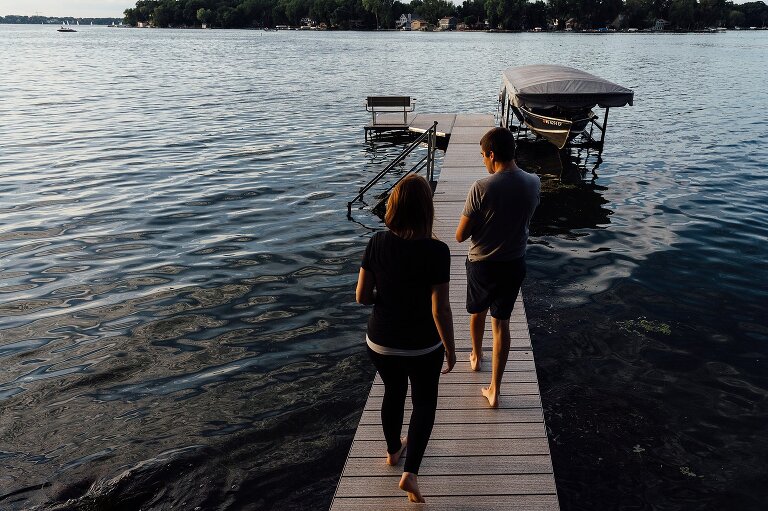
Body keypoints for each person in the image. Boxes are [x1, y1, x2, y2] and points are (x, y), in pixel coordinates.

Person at [356, 174, 456, 503]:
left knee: (393, 392)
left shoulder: (377, 243)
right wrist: (452, 351)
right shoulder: (438, 251)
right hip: (423, 346)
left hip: (381, 343)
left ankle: (391, 451)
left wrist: (387, 296)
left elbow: (361, 296)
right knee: (424, 402)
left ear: (394, 207)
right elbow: (440, 310)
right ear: (427, 210)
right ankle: (410, 473)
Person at [455, 127, 540, 408]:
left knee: (477, 312)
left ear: (492, 155)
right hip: (514, 263)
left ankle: (477, 356)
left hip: (482, 264)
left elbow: (460, 235)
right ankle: (495, 389)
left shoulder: (482, 187)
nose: (482, 161)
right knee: (501, 324)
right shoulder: (534, 182)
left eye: (482, 156)